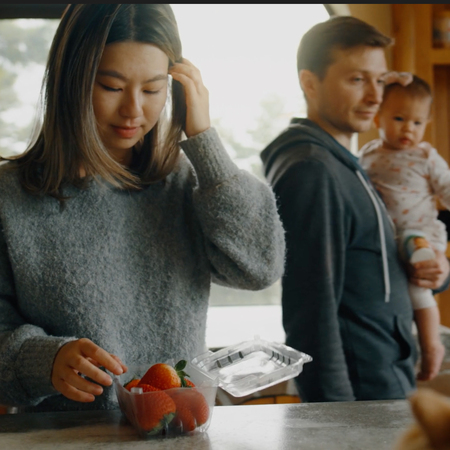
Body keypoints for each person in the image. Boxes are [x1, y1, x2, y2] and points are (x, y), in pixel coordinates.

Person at [0, 4, 285, 412]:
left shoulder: (187, 181)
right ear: (70, 84)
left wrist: (204, 140)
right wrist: (44, 360)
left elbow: (260, 267)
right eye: (112, 87)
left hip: (181, 431)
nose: (134, 109)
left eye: (153, 89)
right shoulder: (11, 195)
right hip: (65, 439)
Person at [260, 16, 450, 402]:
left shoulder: (355, 166)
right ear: (310, 83)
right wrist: (339, 424)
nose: (375, 97)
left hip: (387, 382)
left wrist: (437, 271)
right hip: (360, 402)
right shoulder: (313, 170)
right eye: (357, 79)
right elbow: (311, 315)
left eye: (380, 80)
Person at [359, 75, 447, 382]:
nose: (408, 128)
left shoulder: (425, 156)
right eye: (399, 119)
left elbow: (447, 188)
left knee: (417, 286)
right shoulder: (368, 154)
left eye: (417, 122)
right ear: (379, 116)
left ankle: (431, 345)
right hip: (389, 238)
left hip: (421, 233)